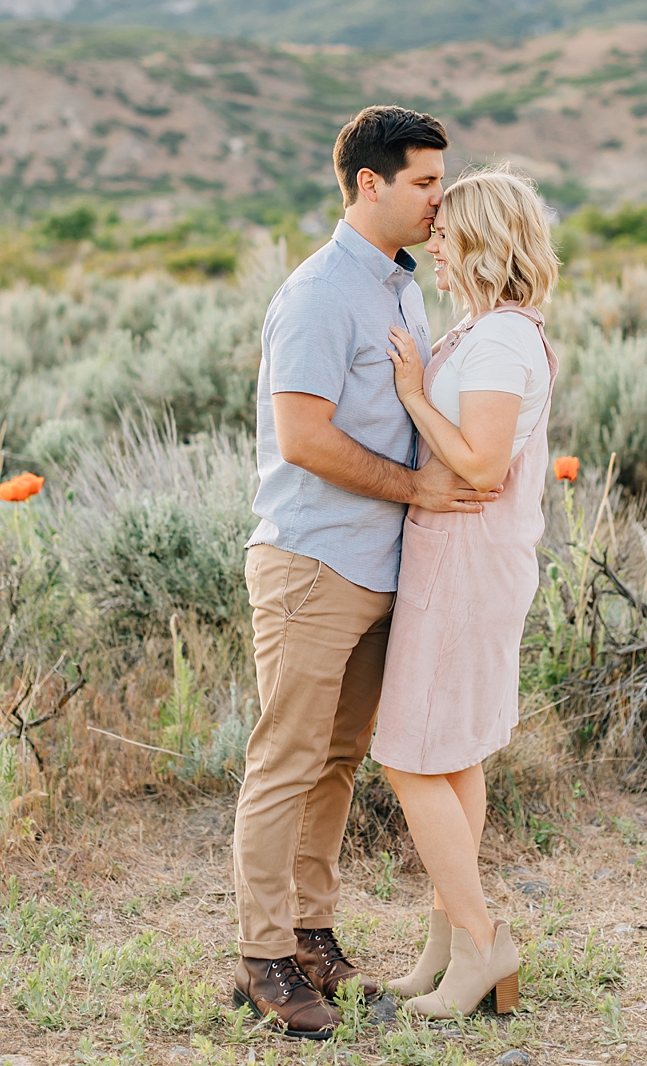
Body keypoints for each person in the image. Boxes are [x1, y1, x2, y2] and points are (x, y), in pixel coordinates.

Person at [232, 105, 503, 1040]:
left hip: (379, 566)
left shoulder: (400, 286)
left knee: (339, 762)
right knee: (285, 762)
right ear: (369, 185)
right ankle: (263, 958)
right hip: (312, 563)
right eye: (426, 183)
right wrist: (418, 490)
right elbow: (304, 438)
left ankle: (312, 935)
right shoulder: (316, 294)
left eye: (441, 180)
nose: (441, 199)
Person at [371, 168, 560, 1020]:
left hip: (466, 566)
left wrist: (412, 394)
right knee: (451, 756)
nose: (433, 245)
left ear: (483, 240)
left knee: (408, 757)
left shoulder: (501, 343)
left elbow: (482, 463)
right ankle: (446, 948)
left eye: (446, 234)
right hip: (456, 558)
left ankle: (482, 944)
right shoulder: (482, 331)